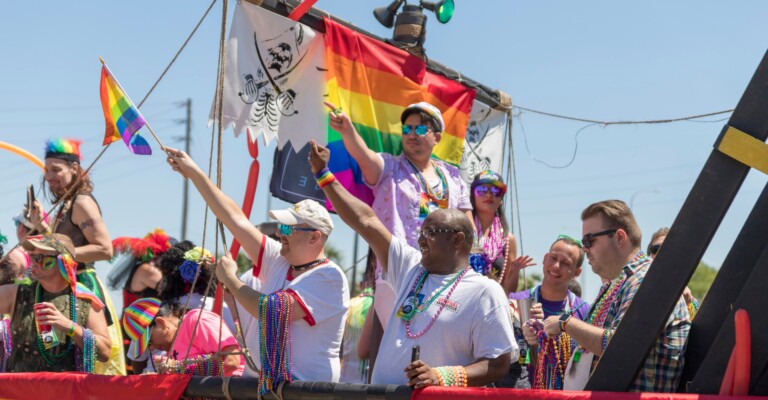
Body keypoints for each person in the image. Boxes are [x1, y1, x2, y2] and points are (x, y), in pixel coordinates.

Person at [308, 141, 516, 388]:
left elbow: (499, 362)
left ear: (457, 239)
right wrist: (323, 175)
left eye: (430, 232)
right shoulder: (410, 266)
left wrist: (442, 377)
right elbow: (367, 221)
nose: (420, 239)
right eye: (421, 232)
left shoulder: (484, 291)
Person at [165, 147, 350, 388]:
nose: (278, 233)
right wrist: (195, 173)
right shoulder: (282, 260)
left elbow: (270, 312)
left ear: (314, 238)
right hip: (264, 387)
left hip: (302, 391)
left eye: (286, 229)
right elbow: (235, 218)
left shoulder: (329, 277)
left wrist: (231, 280)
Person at [326, 101, 472, 329]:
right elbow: (364, 156)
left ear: (437, 137)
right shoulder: (389, 167)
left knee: (436, 345)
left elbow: (468, 228)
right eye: (407, 129)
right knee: (402, 343)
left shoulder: (452, 177)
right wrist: (347, 130)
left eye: (421, 129)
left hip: (444, 275)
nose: (412, 134)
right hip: (397, 272)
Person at [543, 200, 690, 392]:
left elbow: (619, 347)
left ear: (620, 237)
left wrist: (565, 322)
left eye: (589, 240)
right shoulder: (619, 283)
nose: (585, 248)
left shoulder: (647, 281)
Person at [30, 138, 125, 375]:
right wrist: (40, 228)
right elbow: (58, 247)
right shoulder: (64, 206)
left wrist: (60, 254)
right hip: (62, 287)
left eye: (56, 169)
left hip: (83, 287)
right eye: (46, 170)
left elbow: (105, 249)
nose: (49, 176)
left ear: (74, 169)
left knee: (97, 365)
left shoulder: (81, 203)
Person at [0, 233, 111, 372]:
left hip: (65, 389)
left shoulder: (86, 299)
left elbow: (105, 352)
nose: (32, 262)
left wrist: (70, 327)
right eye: (31, 256)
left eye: (39, 257)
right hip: (21, 389)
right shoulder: (15, 293)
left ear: (62, 261)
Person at [512, 235, 589, 390]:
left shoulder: (584, 311)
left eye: (565, 263)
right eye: (553, 258)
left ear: (577, 272)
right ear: (545, 258)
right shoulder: (515, 302)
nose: (556, 266)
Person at [122, 298, 244, 376]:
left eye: (149, 342)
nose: (153, 347)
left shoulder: (196, 320)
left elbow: (231, 360)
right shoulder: (170, 351)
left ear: (161, 323)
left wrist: (178, 368)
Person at [468, 170, 521, 293]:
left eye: (495, 191)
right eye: (481, 190)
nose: (488, 195)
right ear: (472, 195)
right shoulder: (462, 231)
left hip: (492, 302)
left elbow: (509, 290)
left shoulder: (508, 239)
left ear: (501, 199)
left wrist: (516, 270)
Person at [647, 227, 699, 318]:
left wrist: (685, 305)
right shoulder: (632, 283)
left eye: (668, 249)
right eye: (656, 249)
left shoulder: (690, 301)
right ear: (649, 254)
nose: (661, 254)